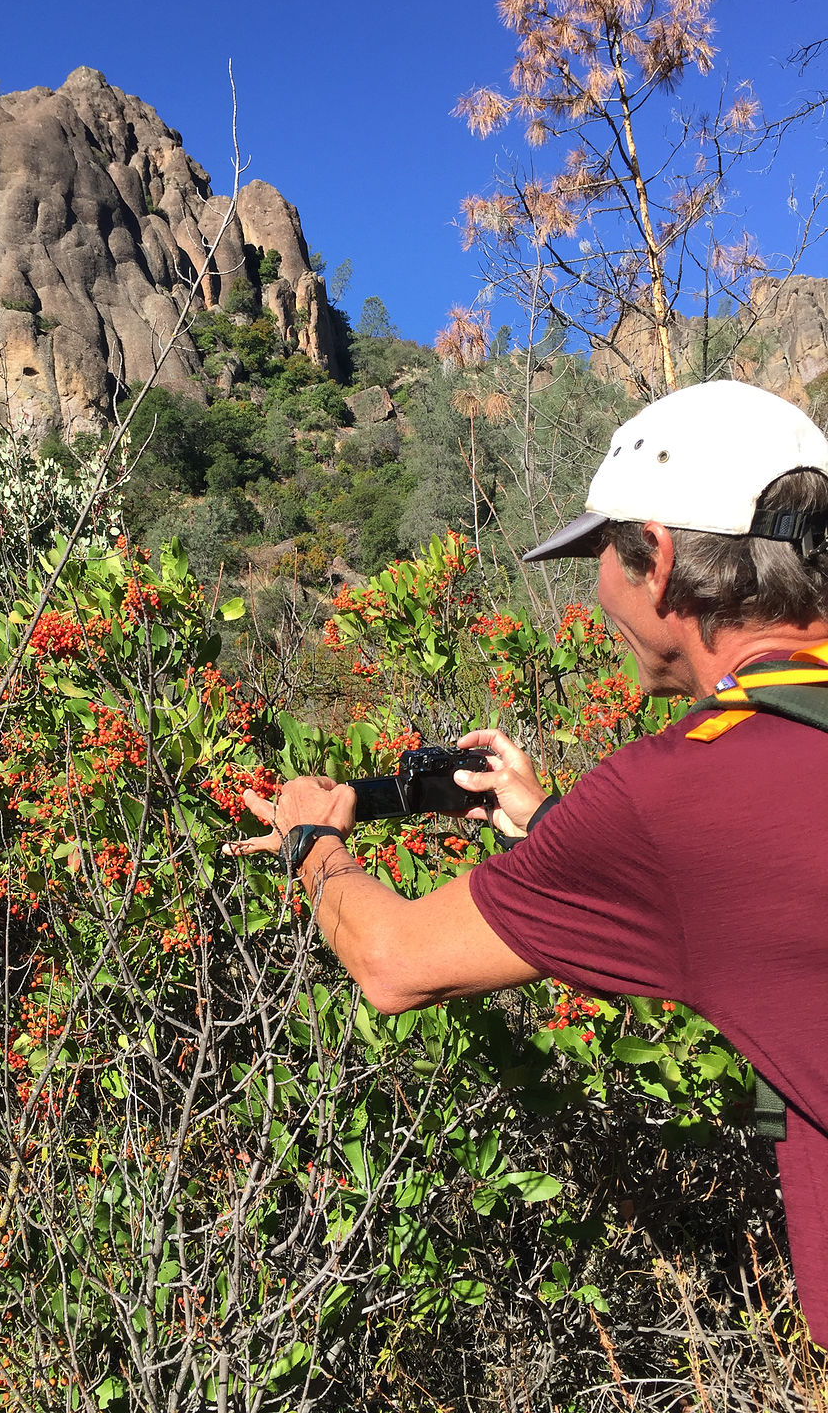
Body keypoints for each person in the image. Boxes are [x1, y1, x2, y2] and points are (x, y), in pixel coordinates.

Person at [225, 379, 828, 1349]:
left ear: (659, 558)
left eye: (600, 557)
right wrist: (550, 821)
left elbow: (394, 962)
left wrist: (312, 843)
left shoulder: (679, 794)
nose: (596, 596)